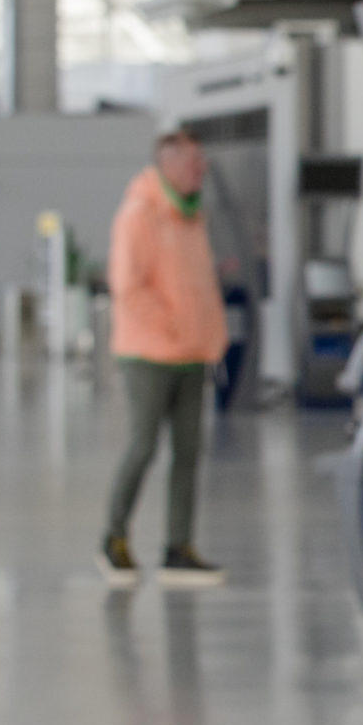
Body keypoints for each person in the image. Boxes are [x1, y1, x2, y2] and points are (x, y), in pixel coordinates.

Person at [98, 130, 229, 587]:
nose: (202, 169)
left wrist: (208, 334)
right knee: (143, 445)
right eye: (194, 161)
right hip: (149, 354)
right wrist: (172, 327)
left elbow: (199, 286)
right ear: (169, 164)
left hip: (192, 354)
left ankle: (179, 548)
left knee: (189, 452)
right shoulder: (141, 214)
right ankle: (113, 539)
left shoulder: (191, 216)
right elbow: (127, 285)